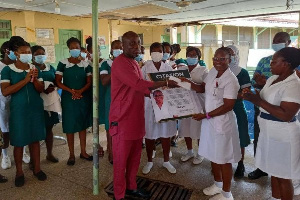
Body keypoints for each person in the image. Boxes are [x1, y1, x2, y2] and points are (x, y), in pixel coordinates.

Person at [109, 31, 177, 200]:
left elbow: (143, 90)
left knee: (134, 157)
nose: (135, 47)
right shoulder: (120, 63)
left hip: (136, 117)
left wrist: (166, 96)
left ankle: (131, 186)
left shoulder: (134, 63)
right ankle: (119, 194)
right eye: (131, 43)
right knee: (121, 161)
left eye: (138, 43)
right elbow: (139, 84)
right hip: (122, 119)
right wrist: (165, 83)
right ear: (122, 46)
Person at [243, 47, 300, 200]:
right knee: (274, 171)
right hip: (268, 132)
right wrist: (251, 93)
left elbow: (287, 114)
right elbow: (263, 97)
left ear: (286, 64)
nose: (270, 64)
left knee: (283, 175)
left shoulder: (294, 85)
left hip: (283, 135)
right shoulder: (272, 79)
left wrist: (258, 101)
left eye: (274, 62)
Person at [193, 47, 241, 200]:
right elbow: (202, 88)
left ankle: (227, 194)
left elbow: (228, 105)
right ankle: (217, 184)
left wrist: (206, 115)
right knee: (213, 154)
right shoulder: (213, 72)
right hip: (209, 121)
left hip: (222, 123)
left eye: (222, 59)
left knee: (224, 158)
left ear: (229, 60)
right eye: (215, 58)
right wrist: (184, 83)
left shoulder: (231, 80)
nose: (218, 61)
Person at [1, 40, 47, 187]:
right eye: (24, 52)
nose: (27, 54)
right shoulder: (8, 70)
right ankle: (19, 172)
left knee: (35, 140)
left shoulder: (34, 68)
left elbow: (40, 89)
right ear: (16, 54)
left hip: (35, 109)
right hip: (18, 111)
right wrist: (25, 80)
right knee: (19, 142)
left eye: (29, 52)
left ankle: (37, 168)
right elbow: (6, 91)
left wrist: (34, 81)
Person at [249, 32, 291, 180]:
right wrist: (260, 82)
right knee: (260, 138)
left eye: (280, 41)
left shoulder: (296, 64)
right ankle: (261, 167)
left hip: (284, 112)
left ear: (288, 42)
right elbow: (254, 79)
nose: (277, 43)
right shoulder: (264, 60)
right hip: (261, 108)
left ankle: (281, 172)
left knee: (281, 147)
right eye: (275, 41)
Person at [55, 37, 93, 166]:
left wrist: (80, 91)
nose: (75, 50)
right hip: (69, 98)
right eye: (72, 48)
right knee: (70, 126)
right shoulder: (63, 63)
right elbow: (58, 81)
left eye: (77, 47)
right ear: (69, 49)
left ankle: (83, 151)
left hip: (83, 97)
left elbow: (89, 81)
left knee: (82, 125)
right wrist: (71, 91)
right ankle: (71, 154)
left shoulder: (86, 64)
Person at [141, 42, 177, 175]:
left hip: (165, 105)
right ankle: (149, 161)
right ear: (150, 53)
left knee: (165, 133)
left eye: (159, 51)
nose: (157, 53)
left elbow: (174, 85)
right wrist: (149, 92)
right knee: (150, 134)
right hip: (149, 104)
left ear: (163, 53)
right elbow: (140, 85)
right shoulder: (145, 67)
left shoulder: (167, 67)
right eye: (154, 51)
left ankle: (166, 160)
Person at [0, 38, 31, 170]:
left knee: (21, 128)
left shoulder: (20, 65)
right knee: (4, 131)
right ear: (8, 51)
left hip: (18, 102)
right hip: (2, 103)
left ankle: (23, 151)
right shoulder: (2, 67)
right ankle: (5, 155)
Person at [178, 46, 208, 165]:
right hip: (184, 104)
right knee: (186, 128)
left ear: (199, 58)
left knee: (198, 129)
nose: (191, 57)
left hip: (199, 104)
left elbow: (202, 89)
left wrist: (189, 83)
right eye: (189, 55)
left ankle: (200, 153)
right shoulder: (182, 69)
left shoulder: (204, 70)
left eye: (194, 56)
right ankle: (189, 151)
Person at [32, 45, 61, 163]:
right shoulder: (31, 68)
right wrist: (42, 88)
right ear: (32, 56)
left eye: (42, 54)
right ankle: (33, 160)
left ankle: (49, 154)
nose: (41, 57)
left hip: (50, 102)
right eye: (38, 54)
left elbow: (56, 80)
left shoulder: (50, 67)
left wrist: (53, 86)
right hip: (37, 102)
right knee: (36, 131)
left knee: (49, 129)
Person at [226, 45, 251, 178]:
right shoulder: (218, 71)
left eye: (232, 54)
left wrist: (230, 96)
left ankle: (240, 163)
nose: (230, 57)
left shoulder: (243, 72)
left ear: (236, 55)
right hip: (222, 108)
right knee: (224, 136)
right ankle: (223, 162)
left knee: (240, 136)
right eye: (227, 54)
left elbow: (245, 93)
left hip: (237, 108)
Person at [100, 39, 123, 164]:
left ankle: (121, 150)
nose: (118, 50)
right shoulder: (106, 64)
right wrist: (116, 67)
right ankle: (111, 152)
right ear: (111, 51)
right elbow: (104, 81)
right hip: (111, 98)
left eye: (120, 47)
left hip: (125, 98)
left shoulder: (128, 62)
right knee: (110, 126)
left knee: (123, 125)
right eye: (115, 48)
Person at [85, 37, 105, 157]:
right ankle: (97, 143)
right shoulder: (87, 64)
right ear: (88, 52)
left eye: (97, 50)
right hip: (90, 95)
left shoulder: (105, 63)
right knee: (94, 121)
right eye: (93, 50)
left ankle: (110, 144)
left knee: (105, 119)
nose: (96, 53)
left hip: (103, 93)